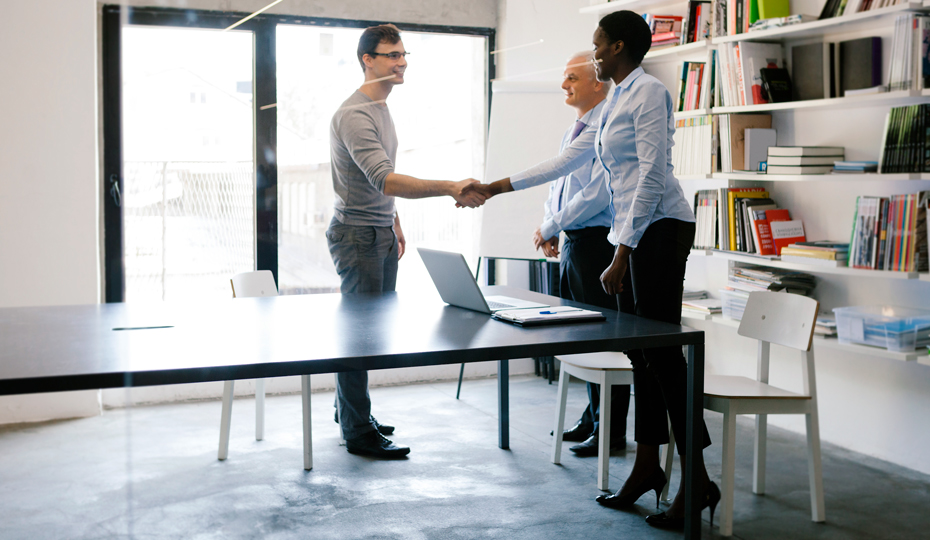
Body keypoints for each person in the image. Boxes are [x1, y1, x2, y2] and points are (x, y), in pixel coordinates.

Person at [468, 11, 719, 531]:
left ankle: (696, 480)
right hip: (635, 234)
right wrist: (496, 187)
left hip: (660, 230)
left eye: (599, 44)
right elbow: (564, 163)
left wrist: (621, 252)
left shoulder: (648, 93)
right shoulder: (615, 102)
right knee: (644, 356)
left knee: (664, 356)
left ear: (619, 47)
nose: (595, 50)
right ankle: (648, 467)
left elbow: (651, 174)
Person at [328, 23, 486, 459]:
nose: (401, 63)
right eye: (392, 55)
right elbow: (385, 177)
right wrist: (451, 186)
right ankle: (358, 431)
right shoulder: (355, 114)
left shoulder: (381, 108)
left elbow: (377, 181)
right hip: (357, 236)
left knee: (368, 334)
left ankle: (349, 412)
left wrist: (393, 219)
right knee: (359, 338)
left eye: (403, 55)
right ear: (368, 60)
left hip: (376, 230)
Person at [467, 51, 631, 458]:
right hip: (575, 241)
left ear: (598, 81)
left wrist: (551, 225)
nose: (563, 85)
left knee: (602, 338)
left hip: (596, 242)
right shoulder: (575, 128)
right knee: (579, 335)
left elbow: (596, 194)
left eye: (572, 77)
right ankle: (594, 417)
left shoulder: (606, 128)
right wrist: (551, 224)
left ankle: (610, 430)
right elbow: (557, 183)